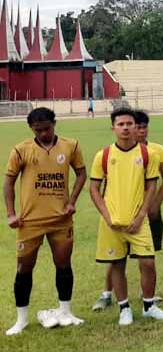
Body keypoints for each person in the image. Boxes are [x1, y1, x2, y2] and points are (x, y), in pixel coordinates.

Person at [4, 108, 87, 335]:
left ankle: (66, 311)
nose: (43, 134)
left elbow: (81, 173)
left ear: (55, 124)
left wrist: (71, 201)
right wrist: (11, 213)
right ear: (31, 129)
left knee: (63, 264)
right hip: (29, 222)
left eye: (47, 129)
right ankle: (21, 320)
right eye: (37, 130)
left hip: (61, 220)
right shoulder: (21, 150)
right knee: (24, 269)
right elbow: (9, 182)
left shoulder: (71, 146)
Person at [89, 108, 163, 326]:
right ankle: (124, 307)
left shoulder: (148, 155)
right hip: (112, 224)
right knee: (117, 265)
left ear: (136, 127)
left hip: (138, 221)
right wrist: (107, 216)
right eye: (121, 124)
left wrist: (141, 215)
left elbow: (152, 186)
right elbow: (94, 189)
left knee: (148, 263)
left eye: (129, 124)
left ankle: (148, 306)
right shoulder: (103, 155)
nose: (125, 128)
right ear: (113, 128)